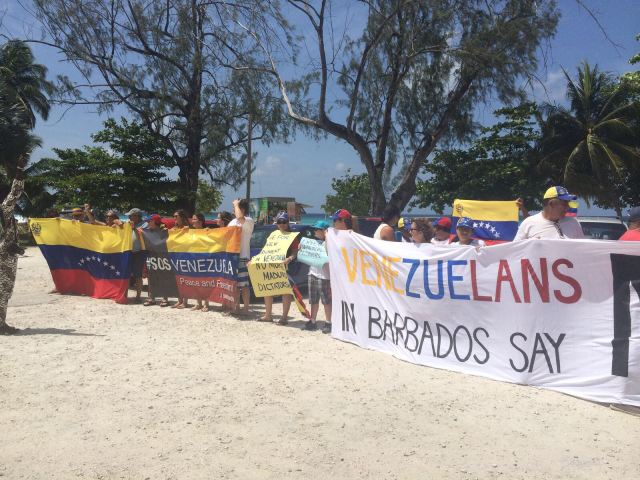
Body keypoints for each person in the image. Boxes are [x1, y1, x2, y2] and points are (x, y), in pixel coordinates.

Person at [259, 211, 298, 325]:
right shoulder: (273, 234)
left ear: (288, 223)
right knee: (268, 289)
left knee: (285, 292)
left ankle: (284, 317)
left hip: (286, 267)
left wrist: (289, 259)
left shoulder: (292, 236)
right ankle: (268, 315)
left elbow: (295, 253)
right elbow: (266, 250)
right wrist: (255, 260)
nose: (282, 224)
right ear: (276, 223)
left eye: (284, 222)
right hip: (271, 265)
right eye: (279, 222)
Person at [513, 186, 585, 240]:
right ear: (551, 204)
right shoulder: (528, 223)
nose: (568, 207)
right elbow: (515, 251)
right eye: (564, 204)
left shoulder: (573, 223)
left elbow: (583, 249)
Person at [228, 199, 255, 316]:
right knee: (234, 284)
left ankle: (246, 308)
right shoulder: (232, 222)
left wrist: (235, 204)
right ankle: (236, 307)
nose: (233, 210)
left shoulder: (248, 221)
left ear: (242, 209)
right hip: (232, 257)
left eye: (235, 208)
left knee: (243, 285)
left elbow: (240, 218)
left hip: (243, 257)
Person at [305, 220, 331, 331]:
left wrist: (327, 236)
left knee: (326, 301)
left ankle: (328, 322)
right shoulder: (314, 242)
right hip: (312, 273)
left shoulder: (329, 243)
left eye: (317, 229)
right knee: (313, 300)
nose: (314, 231)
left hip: (324, 276)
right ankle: (313, 321)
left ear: (324, 231)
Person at [143, 214, 169, 307]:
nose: (147, 223)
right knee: (151, 278)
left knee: (163, 277)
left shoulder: (164, 231)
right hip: (151, 256)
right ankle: (151, 297)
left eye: (149, 221)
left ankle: (164, 298)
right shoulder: (147, 231)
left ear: (155, 222)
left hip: (162, 256)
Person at [125, 207, 148, 303]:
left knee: (138, 274)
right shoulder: (128, 224)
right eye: (129, 216)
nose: (129, 217)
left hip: (140, 252)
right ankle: (124, 295)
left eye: (131, 215)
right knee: (126, 274)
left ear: (137, 216)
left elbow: (142, 236)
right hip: (128, 251)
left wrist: (134, 228)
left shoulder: (145, 224)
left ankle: (138, 296)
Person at [189, 213, 210, 312]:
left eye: (194, 219)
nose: (192, 221)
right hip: (194, 259)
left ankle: (206, 303)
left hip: (204, 260)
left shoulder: (207, 231)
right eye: (192, 219)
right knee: (196, 282)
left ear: (200, 221)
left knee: (204, 282)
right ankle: (198, 303)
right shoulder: (191, 232)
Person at [170, 209, 190, 309]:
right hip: (176, 256)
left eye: (176, 216)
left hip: (186, 256)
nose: (174, 218)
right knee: (177, 279)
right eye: (174, 216)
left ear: (181, 217)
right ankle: (179, 300)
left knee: (184, 279)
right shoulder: (174, 228)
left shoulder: (188, 228)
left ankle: (185, 301)